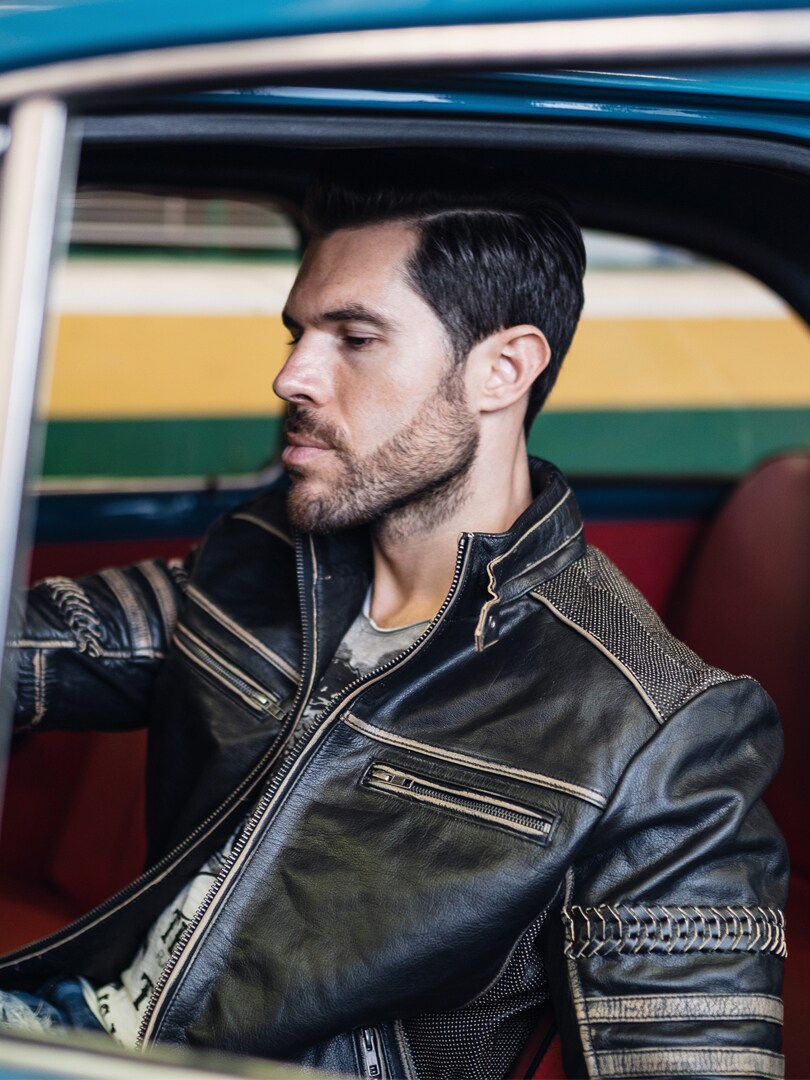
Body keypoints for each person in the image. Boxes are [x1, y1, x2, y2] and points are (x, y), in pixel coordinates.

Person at [0, 159, 787, 1079]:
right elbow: (38, 647)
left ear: (503, 369)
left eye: (355, 338)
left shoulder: (656, 730)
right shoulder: (265, 558)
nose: (291, 376)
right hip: (67, 1026)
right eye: (298, 333)